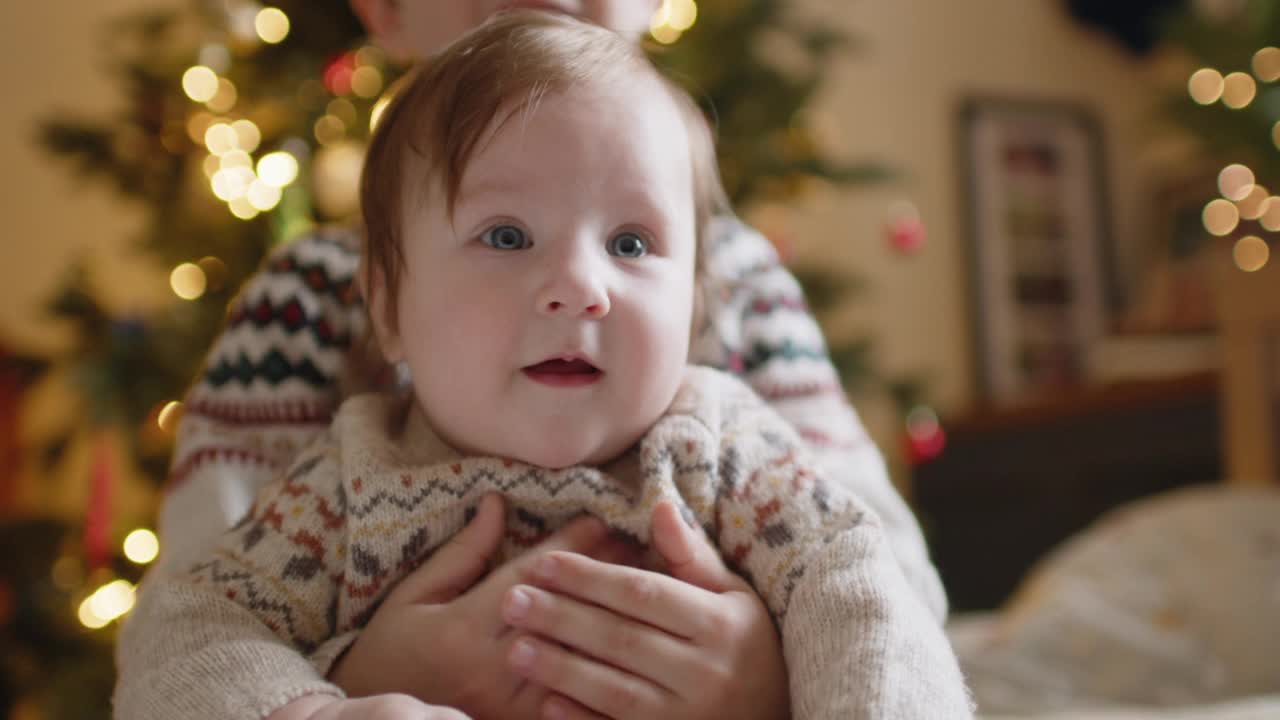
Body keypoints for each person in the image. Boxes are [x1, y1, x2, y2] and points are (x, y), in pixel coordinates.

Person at [115, 12, 971, 720]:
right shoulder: (347, 480)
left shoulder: (724, 447)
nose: (579, 289)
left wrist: (773, 676)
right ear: (386, 306)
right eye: (506, 236)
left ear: (697, 300)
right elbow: (191, 624)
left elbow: (871, 589)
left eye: (632, 244)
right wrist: (335, 695)